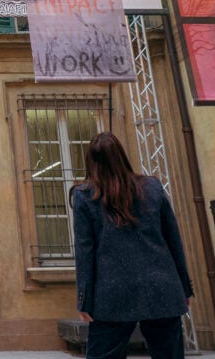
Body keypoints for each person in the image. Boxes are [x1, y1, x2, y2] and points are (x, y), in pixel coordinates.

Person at [71, 132, 194, 359]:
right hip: (162, 287)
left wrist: (84, 300)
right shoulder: (153, 187)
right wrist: (183, 287)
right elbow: (173, 240)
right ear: (122, 156)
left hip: (112, 293)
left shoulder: (85, 196)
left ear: (91, 161)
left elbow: (85, 251)